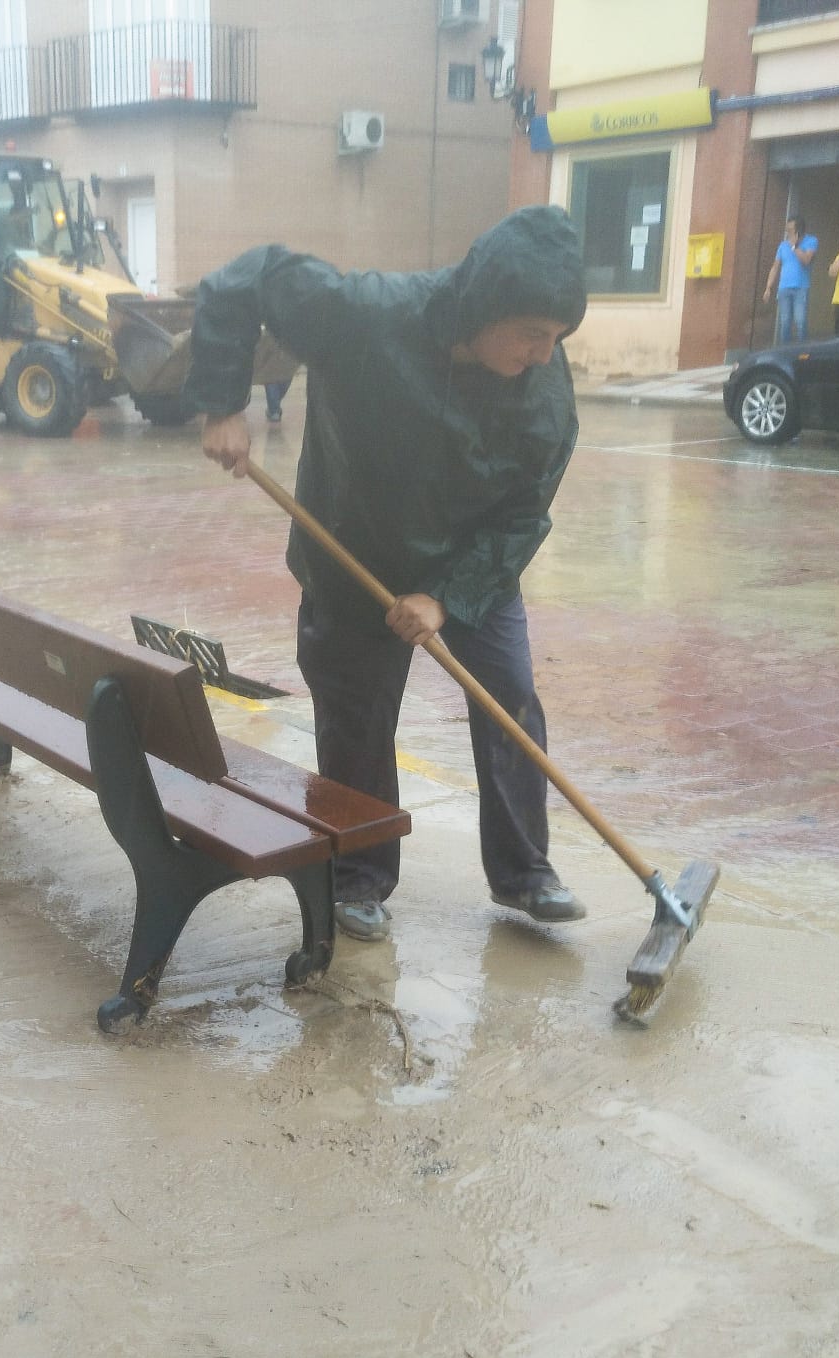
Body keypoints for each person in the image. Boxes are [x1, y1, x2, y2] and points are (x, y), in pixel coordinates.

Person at [186, 206, 588, 943]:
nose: (543, 354)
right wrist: (223, 404)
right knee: (357, 718)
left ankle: (526, 872)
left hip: (471, 566)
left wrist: (447, 596)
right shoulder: (366, 316)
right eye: (533, 333)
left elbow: (524, 516)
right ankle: (359, 875)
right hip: (354, 553)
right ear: (487, 304)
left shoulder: (545, 399)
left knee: (509, 698)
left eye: (557, 339)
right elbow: (244, 280)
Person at [763, 215, 818, 345]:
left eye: (790, 230)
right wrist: (768, 288)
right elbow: (775, 267)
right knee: (785, 322)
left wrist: (795, 247)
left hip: (801, 288)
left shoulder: (811, 241)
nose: (787, 233)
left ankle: (802, 351)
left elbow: (806, 260)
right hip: (784, 288)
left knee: (800, 321)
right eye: (786, 230)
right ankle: (784, 350)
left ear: (798, 230)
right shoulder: (782, 245)